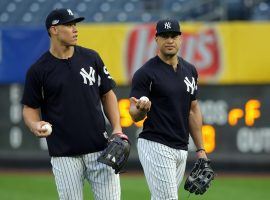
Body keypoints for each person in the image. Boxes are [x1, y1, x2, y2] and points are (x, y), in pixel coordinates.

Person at [21, 8, 125, 200]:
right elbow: (29, 108)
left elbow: (107, 94)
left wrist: (117, 128)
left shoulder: (91, 58)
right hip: (64, 154)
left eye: (75, 25)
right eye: (69, 25)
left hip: (100, 149)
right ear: (53, 30)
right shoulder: (38, 70)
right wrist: (35, 124)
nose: (75, 29)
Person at [129, 19, 208, 199]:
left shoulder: (190, 71)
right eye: (164, 36)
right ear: (156, 39)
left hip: (181, 147)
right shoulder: (146, 73)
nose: (169, 40)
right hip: (156, 144)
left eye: (174, 36)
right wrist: (141, 109)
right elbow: (133, 114)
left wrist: (201, 150)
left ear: (181, 39)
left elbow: (193, 109)